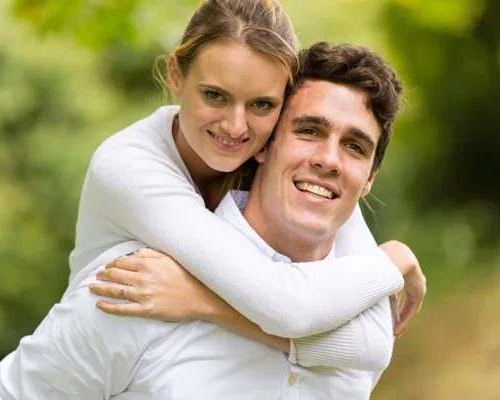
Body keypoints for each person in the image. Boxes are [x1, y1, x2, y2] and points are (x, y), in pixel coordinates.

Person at [0, 42, 415, 399]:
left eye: (355, 147)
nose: (327, 160)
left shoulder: (357, 322)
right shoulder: (140, 285)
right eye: (309, 131)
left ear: (370, 178)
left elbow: (370, 345)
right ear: (262, 144)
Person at [66, 0, 425, 353]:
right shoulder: (128, 167)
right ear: (175, 75)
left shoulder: (285, 161)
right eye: (214, 95)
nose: (236, 127)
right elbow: (290, 309)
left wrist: (200, 302)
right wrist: (392, 260)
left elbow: (372, 342)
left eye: (262, 104)